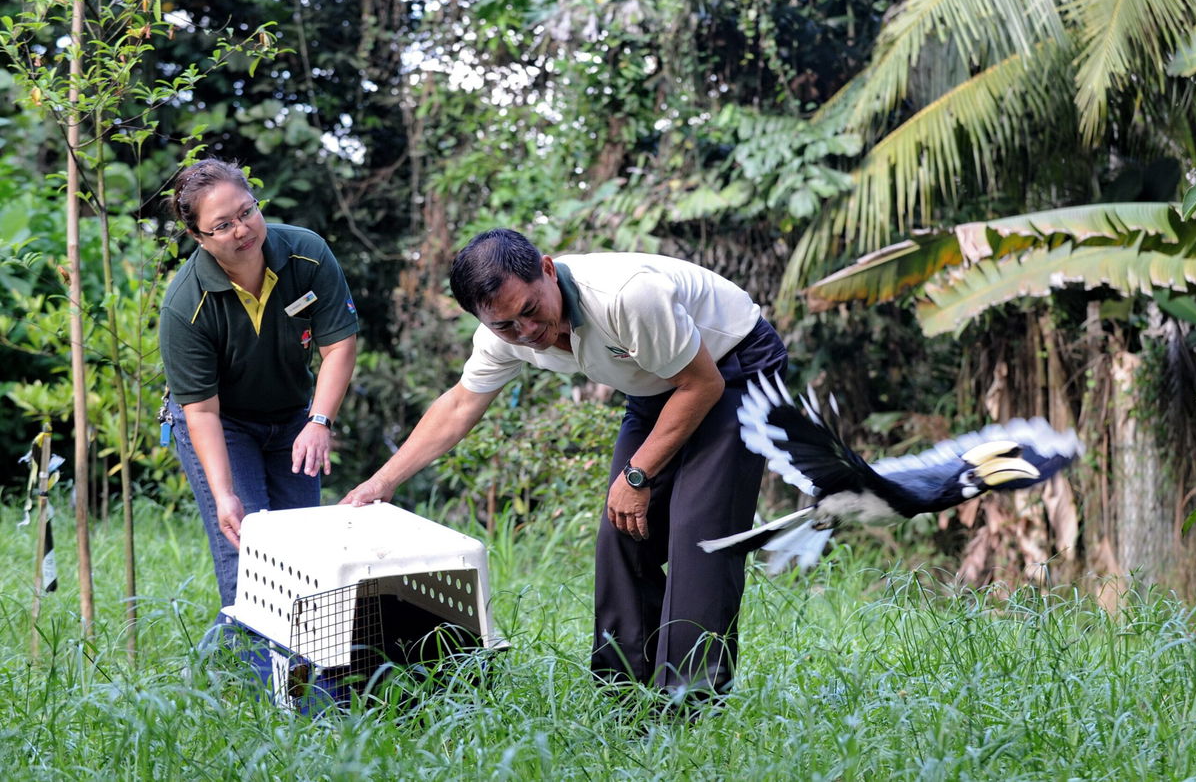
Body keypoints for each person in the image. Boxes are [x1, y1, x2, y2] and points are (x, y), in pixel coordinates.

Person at [342, 228, 787, 701]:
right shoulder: (503, 334)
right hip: (657, 386)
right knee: (621, 534)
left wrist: (636, 475)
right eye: (506, 326)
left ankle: (688, 707)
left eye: (531, 311)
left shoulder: (625, 295)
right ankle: (621, 697)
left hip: (734, 370)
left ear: (549, 271)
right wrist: (383, 481)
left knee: (700, 536)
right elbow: (459, 406)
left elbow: (702, 386)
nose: (526, 333)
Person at [159, 158, 358, 612]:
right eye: (223, 225)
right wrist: (224, 494)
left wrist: (319, 420)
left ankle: (312, 681)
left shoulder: (306, 255)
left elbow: (339, 347)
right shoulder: (185, 305)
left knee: (304, 553)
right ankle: (256, 682)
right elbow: (202, 412)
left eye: (247, 211)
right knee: (249, 554)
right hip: (223, 424)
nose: (242, 229)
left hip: (293, 416)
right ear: (198, 237)